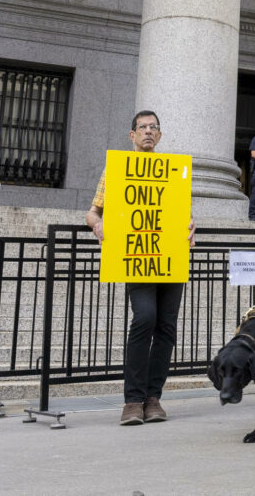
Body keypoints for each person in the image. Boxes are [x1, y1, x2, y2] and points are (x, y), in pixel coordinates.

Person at [86, 110, 196, 426]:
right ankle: (133, 400)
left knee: (167, 326)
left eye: (153, 127)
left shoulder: (173, 170)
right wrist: (97, 224)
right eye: (143, 127)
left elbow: (181, 214)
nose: (148, 131)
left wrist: (191, 225)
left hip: (169, 258)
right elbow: (92, 212)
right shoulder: (117, 169)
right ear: (132, 135)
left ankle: (153, 398)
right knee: (145, 317)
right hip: (138, 258)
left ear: (159, 136)